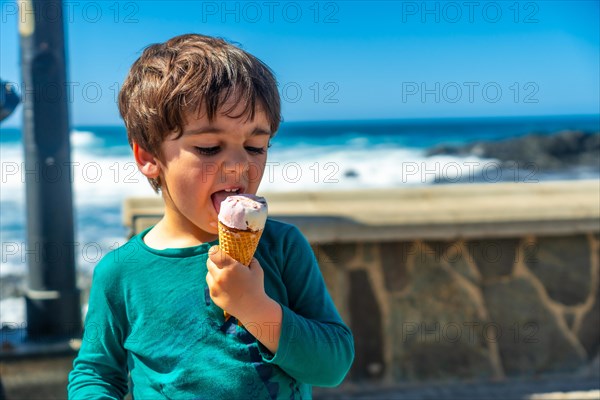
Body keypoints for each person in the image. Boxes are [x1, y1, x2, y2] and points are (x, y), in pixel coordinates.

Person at [68, 33, 354, 399]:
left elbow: (333, 364)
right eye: (208, 148)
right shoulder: (121, 272)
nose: (239, 166)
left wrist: (255, 307)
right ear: (148, 158)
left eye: (255, 146)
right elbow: (95, 373)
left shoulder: (282, 247)